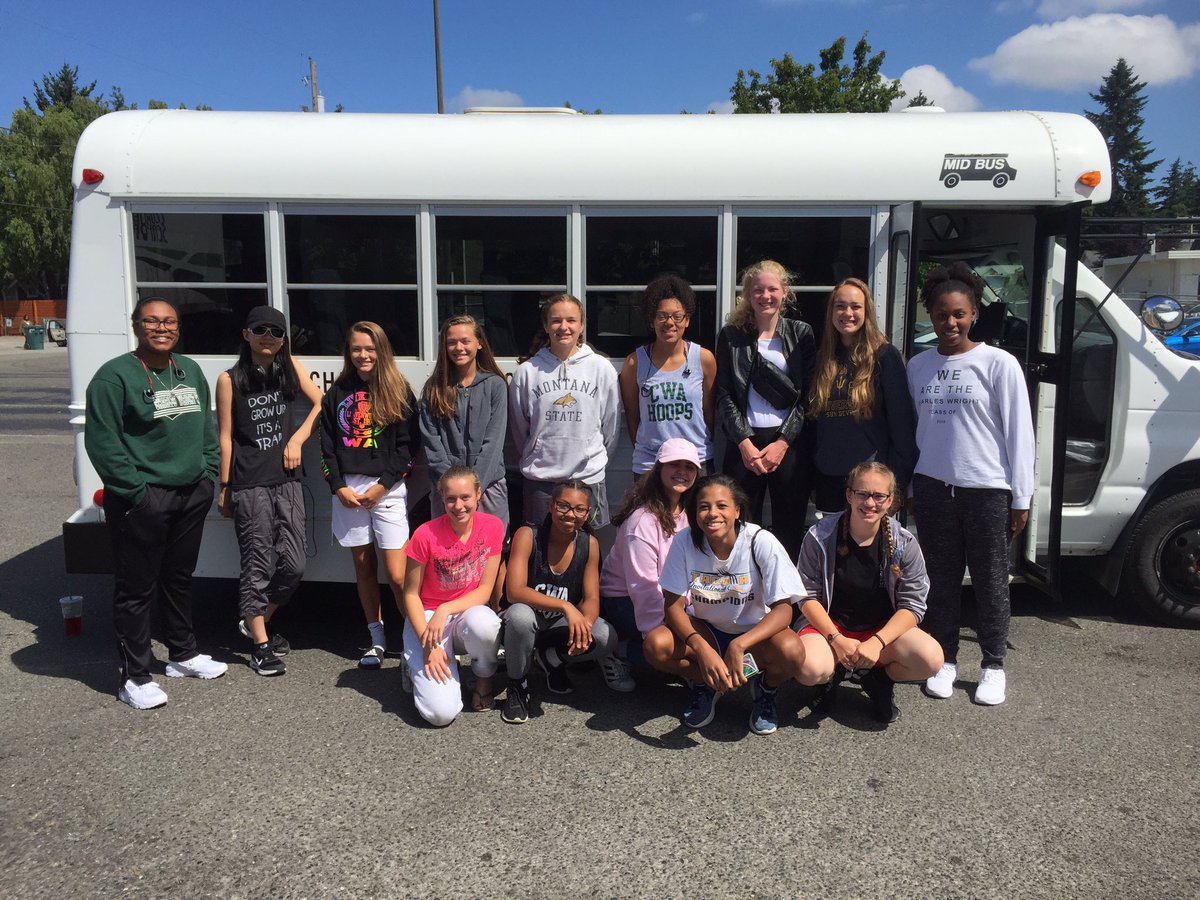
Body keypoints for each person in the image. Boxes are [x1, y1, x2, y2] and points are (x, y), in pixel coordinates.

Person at [85, 297, 227, 709]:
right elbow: (103, 441)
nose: (161, 328)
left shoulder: (190, 370)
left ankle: (182, 655)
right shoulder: (114, 377)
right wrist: (136, 492)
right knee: (135, 589)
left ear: (178, 329)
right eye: (151, 321)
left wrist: (207, 474)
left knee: (179, 578)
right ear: (136, 326)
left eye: (169, 322)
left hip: (190, 493)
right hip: (142, 498)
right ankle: (134, 676)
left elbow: (205, 424)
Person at [907, 262, 1034, 706]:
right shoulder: (918, 367)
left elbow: (1020, 433)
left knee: (989, 580)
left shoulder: (999, 363)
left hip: (986, 490)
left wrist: (1021, 496)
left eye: (959, 313)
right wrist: (909, 487)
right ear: (931, 317)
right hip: (933, 487)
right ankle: (944, 659)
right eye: (941, 315)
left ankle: (994, 664)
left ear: (974, 312)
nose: (950, 323)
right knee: (940, 580)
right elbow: (912, 433)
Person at [643, 474, 807, 735]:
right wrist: (701, 648)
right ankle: (708, 682)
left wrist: (740, 644)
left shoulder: (760, 541)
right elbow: (672, 607)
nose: (712, 514)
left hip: (754, 637)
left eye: (722, 506)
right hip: (708, 631)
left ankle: (765, 687)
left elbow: (784, 610)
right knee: (655, 646)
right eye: (704, 506)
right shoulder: (684, 541)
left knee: (792, 651)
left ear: (737, 511)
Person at [216, 306, 323, 676]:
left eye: (276, 332)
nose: (268, 337)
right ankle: (260, 644)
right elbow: (226, 437)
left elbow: (322, 404)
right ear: (246, 334)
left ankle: (255, 618)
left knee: (295, 564)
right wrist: (225, 486)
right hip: (249, 483)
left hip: (288, 480)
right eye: (260, 329)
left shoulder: (289, 369)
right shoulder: (229, 379)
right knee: (256, 562)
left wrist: (298, 437)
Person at [793, 462, 944, 723]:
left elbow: (914, 606)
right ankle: (831, 676)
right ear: (849, 495)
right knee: (809, 668)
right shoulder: (819, 536)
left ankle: (877, 679)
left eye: (878, 496)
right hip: (830, 628)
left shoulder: (904, 543)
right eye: (862, 494)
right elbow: (807, 597)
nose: (870, 503)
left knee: (930, 659)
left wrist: (876, 643)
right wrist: (837, 640)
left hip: (880, 632)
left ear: (891, 500)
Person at [320, 321, 421, 669]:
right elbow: (326, 447)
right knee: (364, 569)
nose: (363, 355)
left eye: (370, 348)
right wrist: (339, 487)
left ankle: (415, 639)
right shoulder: (337, 393)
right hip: (348, 491)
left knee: (397, 575)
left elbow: (409, 448)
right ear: (348, 352)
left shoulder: (398, 389)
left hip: (387, 490)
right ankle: (376, 641)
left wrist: (383, 485)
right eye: (356, 349)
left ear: (381, 350)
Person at [714, 260, 815, 559]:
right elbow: (724, 394)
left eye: (772, 289)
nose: (765, 296)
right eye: (758, 290)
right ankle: (746, 598)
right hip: (744, 444)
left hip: (788, 445)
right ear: (747, 294)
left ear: (785, 292)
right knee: (741, 527)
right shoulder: (731, 336)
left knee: (789, 527)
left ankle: (788, 601)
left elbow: (808, 397)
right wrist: (744, 442)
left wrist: (782, 443)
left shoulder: (801, 333)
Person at [500, 480, 623, 723]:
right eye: (563, 506)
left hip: (558, 627)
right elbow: (514, 591)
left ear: (588, 513)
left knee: (605, 636)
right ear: (551, 506)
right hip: (524, 623)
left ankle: (551, 660)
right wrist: (566, 606)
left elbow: (591, 598)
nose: (570, 514)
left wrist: (584, 630)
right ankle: (517, 685)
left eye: (579, 509)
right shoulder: (528, 535)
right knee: (520, 615)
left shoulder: (589, 544)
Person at [401, 466, 504, 726]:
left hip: (464, 611)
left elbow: (484, 590)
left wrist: (445, 609)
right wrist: (428, 646)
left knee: (487, 624)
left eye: (465, 497)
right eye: (451, 499)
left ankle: (482, 679)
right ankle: (414, 665)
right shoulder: (425, 534)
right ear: (441, 499)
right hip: (427, 618)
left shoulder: (492, 526)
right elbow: (410, 593)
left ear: (478, 495)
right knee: (440, 715)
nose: (459, 506)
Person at [509, 294, 620, 527]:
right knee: (539, 549)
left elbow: (610, 424)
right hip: (541, 480)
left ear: (582, 325)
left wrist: (592, 457)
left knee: (589, 549)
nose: (564, 327)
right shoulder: (527, 372)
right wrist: (535, 453)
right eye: (556, 320)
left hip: (588, 479)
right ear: (546, 325)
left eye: (571, 320)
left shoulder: (601, 368)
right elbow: (520, 430)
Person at [808, 278, 918, 513]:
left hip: (870, 484)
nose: (847, 313)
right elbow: (817, 428)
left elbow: (902, 428)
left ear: (866, 311)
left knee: (868, 549)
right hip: (829, 479)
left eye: (856, 306)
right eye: (840, 306)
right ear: (831, 311)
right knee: (833, 548)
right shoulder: (823, 359)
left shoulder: (884, 356)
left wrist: (895, 487)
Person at [599, 437, 701, 680]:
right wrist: (663, 630)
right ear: (659, 469)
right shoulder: (642, 521)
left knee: (700, 638)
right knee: (665, 646)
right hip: (626, 600)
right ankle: (618, 650)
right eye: (674, 464)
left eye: (689, 467)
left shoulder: (690, 513)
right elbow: (643, 586)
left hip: (672, 598)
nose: (682, 472)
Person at [418, 315, 509, 532]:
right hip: (447, 494)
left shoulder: (495, 385)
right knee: (449, 555)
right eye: (451, 342)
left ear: (479, 343)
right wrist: (455, 491)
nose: (459, 347)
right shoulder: (433, 390)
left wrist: (474, 490)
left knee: (492, 556)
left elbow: (493, 444)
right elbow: (433, 446)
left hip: (488, 490)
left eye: (465, 341)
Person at [618, 275, 716, 474]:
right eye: (662, 316)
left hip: (696, 461)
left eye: (677, 316)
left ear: (687, 320)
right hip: (650, 465)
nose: (669, 322)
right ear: (651, 320)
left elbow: (709, 414)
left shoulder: (703, 359)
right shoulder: (634, 363)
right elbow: (633, 418)